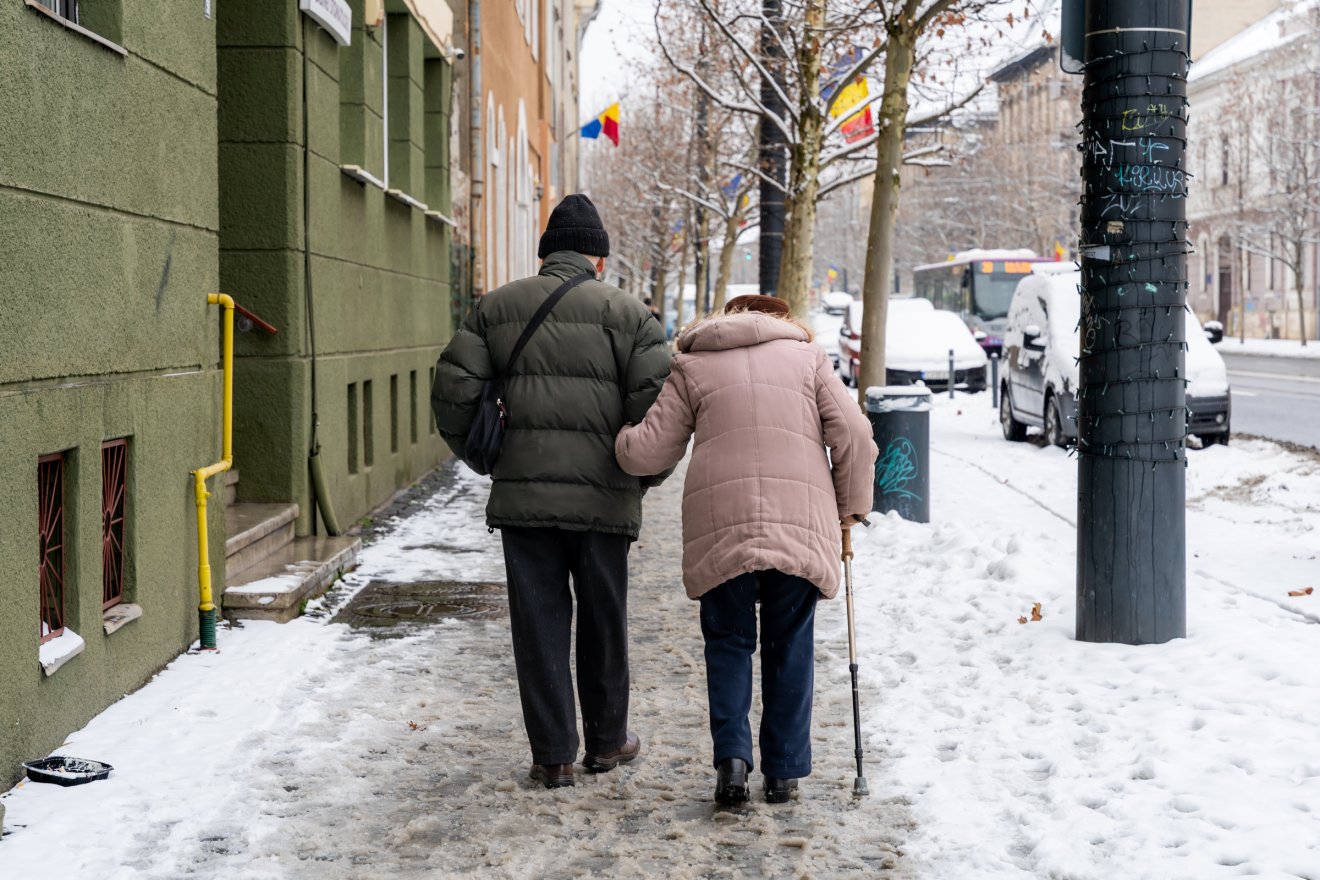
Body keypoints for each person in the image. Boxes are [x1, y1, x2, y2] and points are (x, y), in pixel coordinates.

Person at [431, 194, 672, 789]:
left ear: (547, 254)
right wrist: (639, 478)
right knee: (603, 620)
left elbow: (451, 393)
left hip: (525, 499)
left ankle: (554, 755)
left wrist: (489, 458)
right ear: (599, 258)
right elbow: (659, 414)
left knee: (537, 624)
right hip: (604, 498)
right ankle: (609, 742)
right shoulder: (633, 316)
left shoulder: (495, 308)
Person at [614, 294, 877, 806]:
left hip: (721, 523)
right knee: (790, 644)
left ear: (725, 320)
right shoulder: (808, 358)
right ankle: (783, 773)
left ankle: (732, 764)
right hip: (798, 521)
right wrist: (849, 508)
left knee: (728, 643)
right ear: (783, 322)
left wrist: (618, 437)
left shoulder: (693, 362)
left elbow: (649, 450)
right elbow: (855, 434)